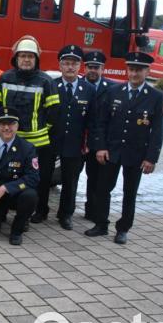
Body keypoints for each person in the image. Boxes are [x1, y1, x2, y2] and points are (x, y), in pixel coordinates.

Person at [85, 52, 163, 245]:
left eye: (139, 70)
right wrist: (101, 147)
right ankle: (101, 224)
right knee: (103, 188)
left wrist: (151, 158)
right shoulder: (114, 91)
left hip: (136, 153)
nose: (134, 73)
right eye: (131, 69)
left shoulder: (156, 96)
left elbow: (157, 131)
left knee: (130, 192)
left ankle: (123, 229)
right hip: (112, 151)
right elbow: (102, 123)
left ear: (147, 71)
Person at [0, 35, 59, 224]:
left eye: (30, 56)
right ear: (16, 58)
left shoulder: (46, 81)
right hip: (8, 139)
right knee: (6, 174)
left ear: (36, 59)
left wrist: (40, 130)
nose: (27, 60)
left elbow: (53, 112)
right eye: (23, 56)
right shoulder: (5, 78)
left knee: (38, 179)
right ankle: (2, 210)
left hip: (37, 142)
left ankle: (36, 212)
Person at [44, 45, 96, 230]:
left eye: (74, 64)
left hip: (75, 143)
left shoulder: (89, 89)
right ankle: (41, 211)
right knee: (44, 178)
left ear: (80, 66)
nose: (70, 67)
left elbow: (93, 119)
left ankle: (66, 214)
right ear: (60, 65)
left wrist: (89, 143)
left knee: (70, 181)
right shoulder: (51, 85)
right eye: (66, 63)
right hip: (50, 141)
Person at [0, 108, 40, 245]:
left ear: (17, 126)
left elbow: (33, 177)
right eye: (2, 124)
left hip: (13, 193)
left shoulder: (27, 148)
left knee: (30, 196)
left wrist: (5, 188)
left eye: (11, 124)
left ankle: (17, 230)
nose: (6, 128)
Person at [81, 51, 115, 220]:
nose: (92, 70)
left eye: (96, 67)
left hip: (99, 143)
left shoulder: (112, 88)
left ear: (103, 68)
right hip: (79, 141)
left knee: (96, 179)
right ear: (84, 67)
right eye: (89, 67)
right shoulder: (77, 84)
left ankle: (93, 211)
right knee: (71, 179)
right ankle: (67, 211)